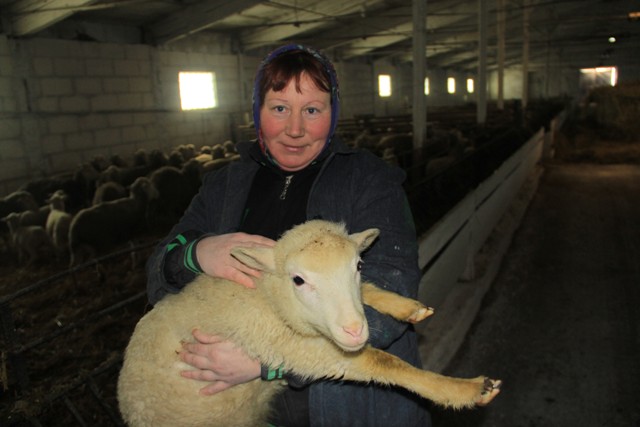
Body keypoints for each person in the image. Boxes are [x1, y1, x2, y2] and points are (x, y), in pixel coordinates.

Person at [145, 44, 432, 427]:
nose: (295, 129)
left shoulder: (368, 181)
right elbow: (158, 270)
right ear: (257, 111)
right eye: (279, 108)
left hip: (346, 409)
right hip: (240, 410)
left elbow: (392, 287)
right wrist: (197, 252)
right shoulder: (224, 186)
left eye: (312, 110)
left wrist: (270, 361)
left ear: (333, 114)